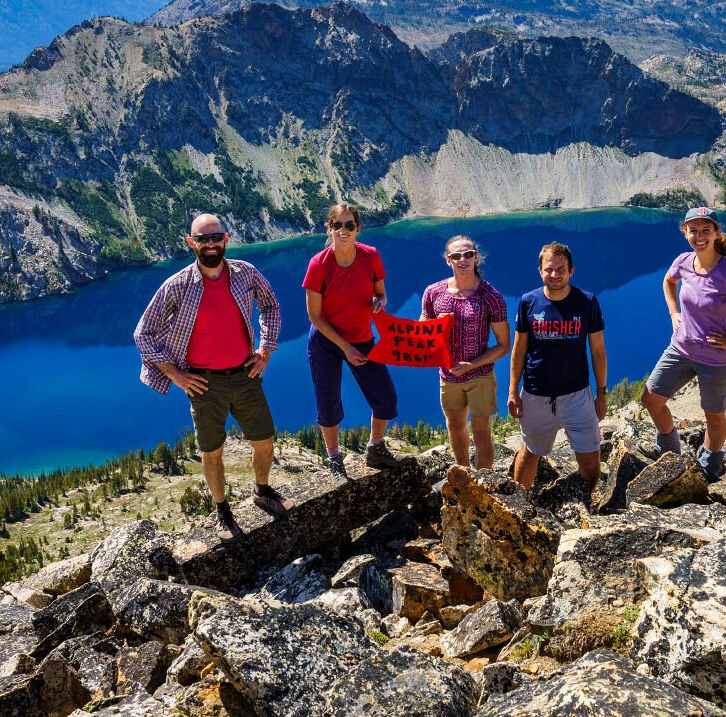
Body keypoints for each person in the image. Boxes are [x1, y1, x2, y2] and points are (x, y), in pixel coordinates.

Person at [134, 213, 290, 540]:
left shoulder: (246, 273)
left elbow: (271, 307)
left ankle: (261, 490)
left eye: (215, 238)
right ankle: (222, 510)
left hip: (245, 375)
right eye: (202, 239)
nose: (209, 245)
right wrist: (175, 373)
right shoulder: (177, 285)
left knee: (264, 441)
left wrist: (265, 350)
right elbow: (143, 334)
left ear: (226, 239)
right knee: (211, 451)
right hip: (204, 383)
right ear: (191, 243)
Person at [642, 207, 726, 482]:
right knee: (650, 398)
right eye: (693, 231)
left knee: (713, 416)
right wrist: (673, 313)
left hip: (715, 359)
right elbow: (668, 281)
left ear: (716, 233)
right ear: (685, 232)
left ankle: (708, 469)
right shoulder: (684, 261)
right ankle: (668, 450)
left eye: (705, 231)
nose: (699, 236)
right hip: (681, 348)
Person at [303, 203, 399, 477]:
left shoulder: (370, 256)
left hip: (362, 337)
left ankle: (376, 447)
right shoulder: (318, 264)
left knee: (386, 399)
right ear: (329, 228)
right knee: (328, 403)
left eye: (348, 225)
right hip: (326, 341)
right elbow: (315, 317)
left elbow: (381, 294)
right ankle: (334, 457)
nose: (343, 230)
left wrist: (379, 302)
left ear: (357, 229)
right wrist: (345, 348)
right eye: (337, 225)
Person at [507, 242, 608, 493]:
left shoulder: (587, 302)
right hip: (535, 395)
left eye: (560, 269)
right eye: (548, 269)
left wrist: (602, 392)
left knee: (590, 460)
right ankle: (518, 505)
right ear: (540, 271)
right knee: (530, 453)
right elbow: (519, 350)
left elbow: (597, 351)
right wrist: (512, 391)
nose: (554, 275)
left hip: (577, 395)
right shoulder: (528, 302)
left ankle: (583, 506)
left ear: (571, 271)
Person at [420, 235, 510, 469]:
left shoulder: (491, 297)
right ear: (448, 260)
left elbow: (503, 345)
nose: (463, 260)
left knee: (481, 433)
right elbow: (422, 334)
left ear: (476, 257)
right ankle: (463, 475)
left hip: (480, 376)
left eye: (468, 254)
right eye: (456, 256)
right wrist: (434, 326)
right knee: (455, 427)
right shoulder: (433, 293)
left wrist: (472, 365)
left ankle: (483, 483)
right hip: (448, 376)